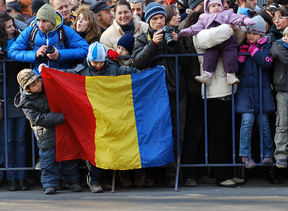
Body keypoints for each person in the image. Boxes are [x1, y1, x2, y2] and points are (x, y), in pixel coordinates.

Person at [56, 41, 141, 192]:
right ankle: (94, 181)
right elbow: (65, 75)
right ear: (89, 60)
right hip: (90, 119)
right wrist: (47, 72)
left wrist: (154, 71)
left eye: (101, 62)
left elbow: (132, 72)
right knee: (93, 150)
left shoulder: (114, 69)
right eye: (95, 62)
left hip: (110, 117)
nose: (98, 65)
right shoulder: (81, 71)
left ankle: (106, 179)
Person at [133, 2, 188, 187]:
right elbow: (138, 62)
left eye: (161, 18)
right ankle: (153, 175)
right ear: (148, 21)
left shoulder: (175, 33)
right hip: (152, 96)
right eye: (154, 19)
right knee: (154, 134)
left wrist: (177, 42)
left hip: (176, 91)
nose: (158, 22)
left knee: (176, 135)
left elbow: (187, 63)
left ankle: (174, 176)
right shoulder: (142, 38)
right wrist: (153, 44)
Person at [179, 0, 255, 86]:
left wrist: (245, 21)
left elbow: (238, 18)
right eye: (213, 6)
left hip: (228, 43)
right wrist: (189, 31)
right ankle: (207, 75)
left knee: (230, 56)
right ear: (207, 8)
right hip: (213, 45)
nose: (216, 8)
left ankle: (231, 75)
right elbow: (197, 27)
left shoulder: (227, 14)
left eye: (219, 5)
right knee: (210, 57)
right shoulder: (204, 17)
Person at [14, 68, 65, 195]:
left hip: (59, 127)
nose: (38, 84)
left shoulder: (45, 86)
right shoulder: (25, 102)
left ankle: (68, 181)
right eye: (34, 84)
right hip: (45, 133)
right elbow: (38, 119)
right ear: (27, 89)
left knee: (65, 155)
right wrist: (61, 117)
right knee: (48, 159)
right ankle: (49, 184)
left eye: (38, 81)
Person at [236, 15, 274, 169]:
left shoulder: (266, 47)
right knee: (246, 124)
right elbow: (235, 70)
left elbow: (267, 63)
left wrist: (253, 50)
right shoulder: (242, 48)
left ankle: (267, 154)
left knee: (263, 124)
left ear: (261, 34)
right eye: (248, 33)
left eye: (254, 33)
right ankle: (245, 155)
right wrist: (240, 59)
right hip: (246, 93)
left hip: (262, 92)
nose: (250, 36)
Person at [8, 3, 89, 75]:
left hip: (61, 77)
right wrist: (34, 54)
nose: (41, 24)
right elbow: (12, 52)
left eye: (45, 21)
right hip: (37, 81)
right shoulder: (29, 32)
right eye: (38, 20)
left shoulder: (66, 31)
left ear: (53, 22)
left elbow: (85, 49)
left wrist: (60, 54)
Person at [0, 13, 29, 191]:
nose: (13, 28)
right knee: (8, 140)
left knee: (20, 139)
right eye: (9, 26)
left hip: (19, 97)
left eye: (12, 25)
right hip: (4, 98)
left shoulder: (20, 43)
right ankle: (11, 177)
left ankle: (23, 177)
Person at [270, 26, 288, 168]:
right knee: (282, 123)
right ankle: (281, 154)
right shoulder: (277, 45)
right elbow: (284, 59)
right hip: (283, 90)